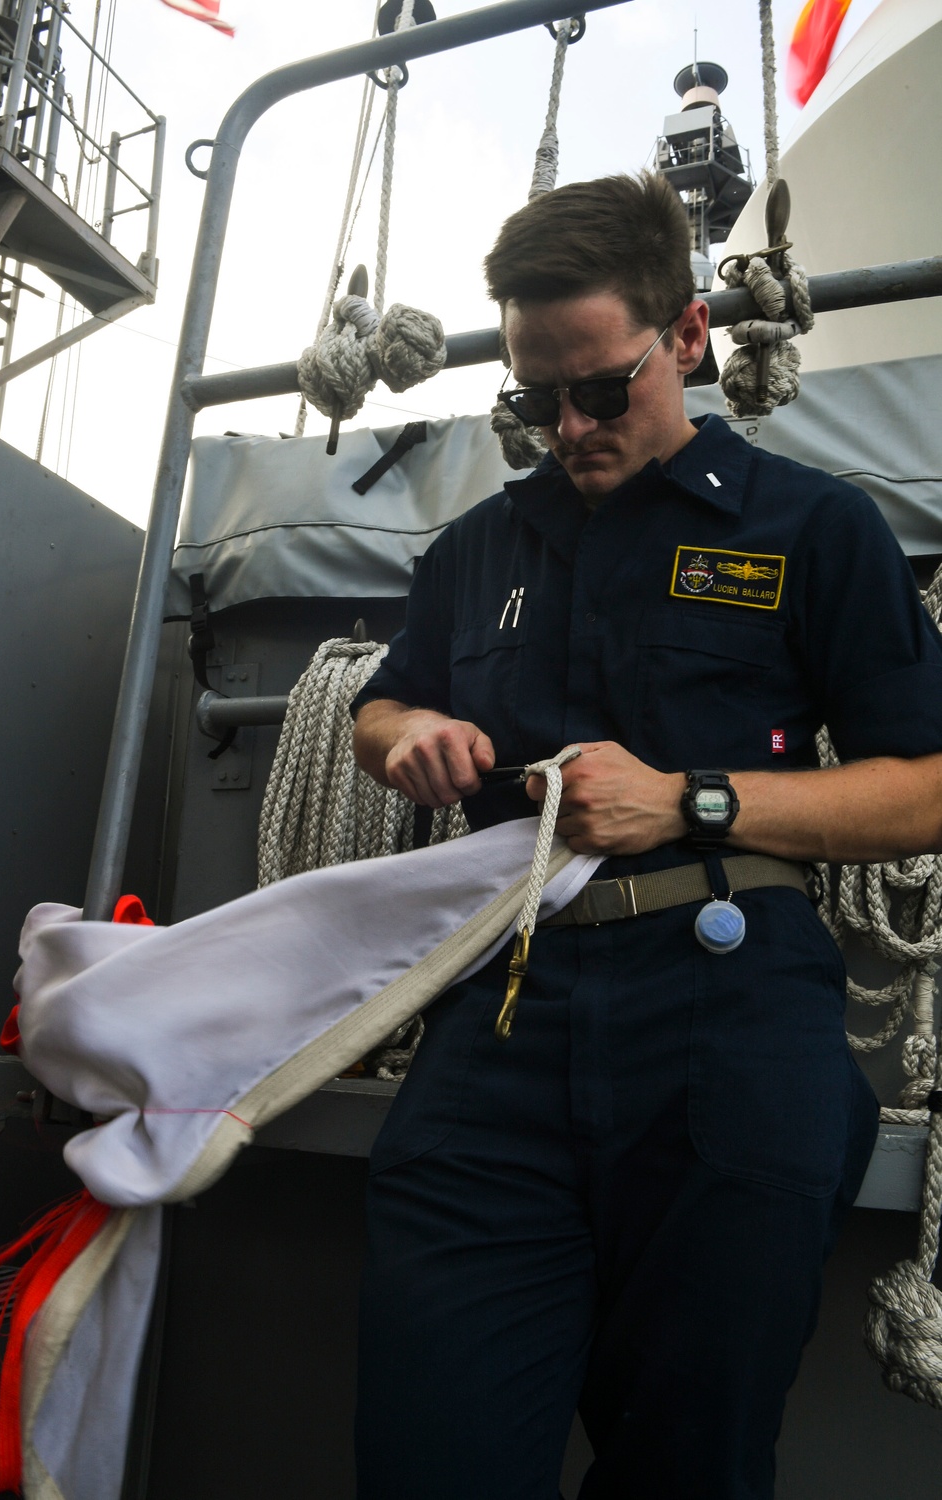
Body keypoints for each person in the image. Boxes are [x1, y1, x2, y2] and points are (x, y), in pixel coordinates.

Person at [349, 172, 942, 1500]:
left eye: (599, 391)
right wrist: (403, 740)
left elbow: (930, 784)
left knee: (690, 1465)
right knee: (427, 1453)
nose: (566, 427)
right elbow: (380, 702)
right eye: (532, 399)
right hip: (496, 1027)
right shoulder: (476, 552)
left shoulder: (814, 530)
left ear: (685, 338)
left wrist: (692, 801)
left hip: (728, 1025)